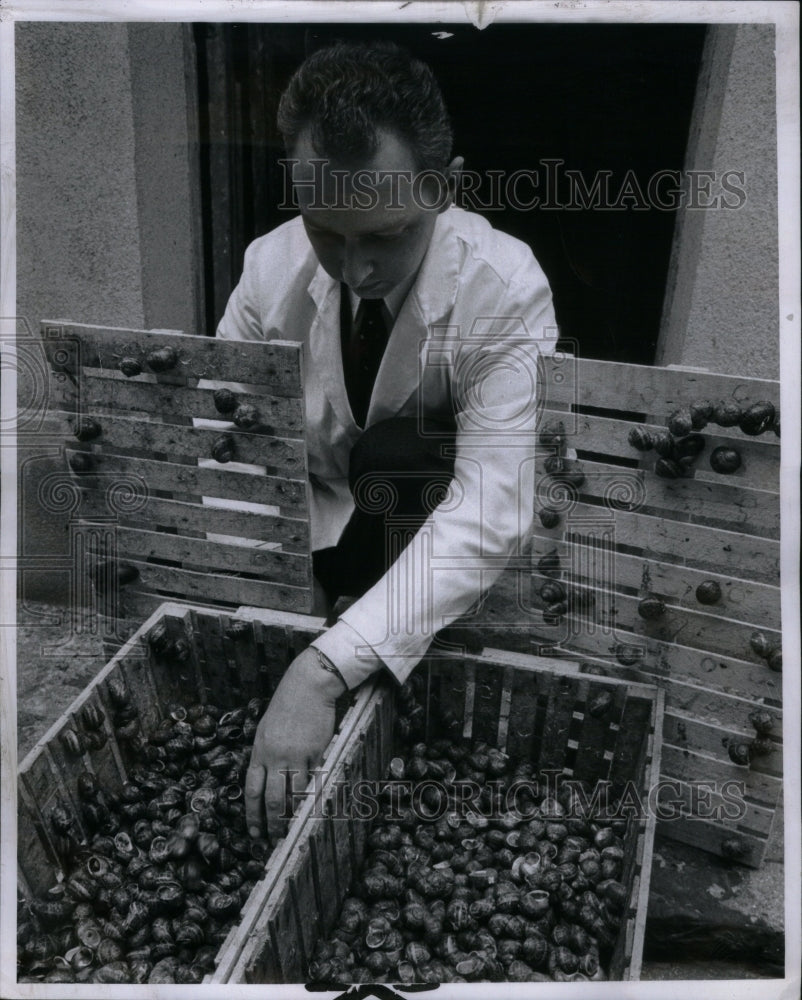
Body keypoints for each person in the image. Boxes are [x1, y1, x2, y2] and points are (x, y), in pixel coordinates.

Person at [216, 40, 557, 841]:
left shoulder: (505, 287)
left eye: (385, 235)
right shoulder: (270, 269)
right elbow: (226, 436)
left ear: (442, 187)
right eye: (326, 233)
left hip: (417, 539)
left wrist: (325, 665)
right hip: (315, 523)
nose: (353, 270)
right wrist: (276, 601)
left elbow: (492, 503)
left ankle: (378, 643)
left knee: (402, 451)